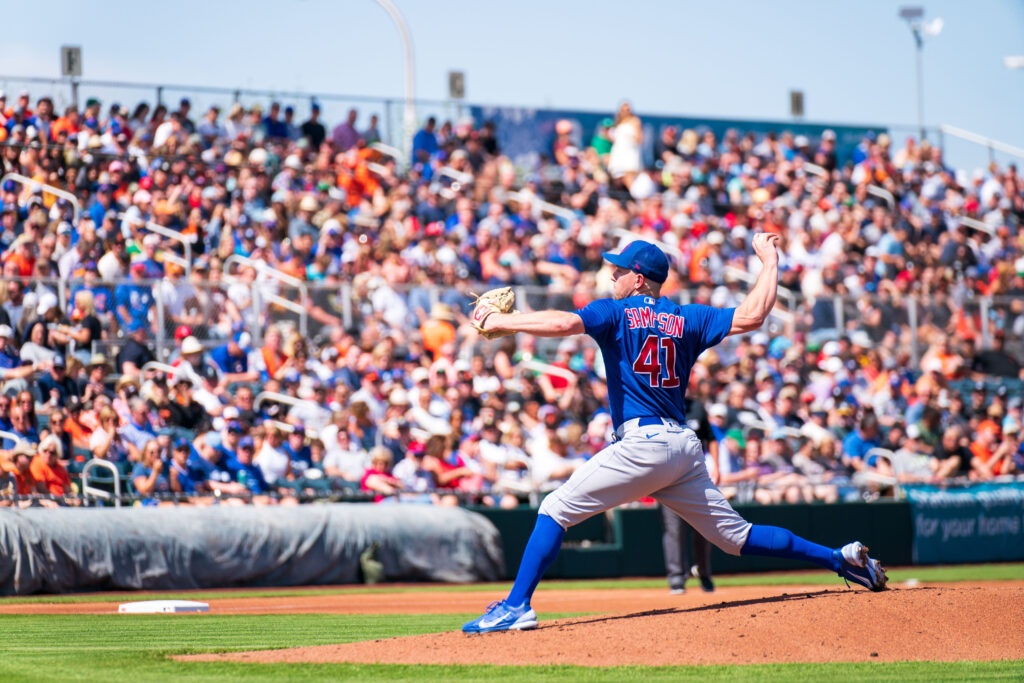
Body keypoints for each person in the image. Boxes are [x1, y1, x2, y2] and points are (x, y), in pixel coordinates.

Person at [462, 236, 887, 634]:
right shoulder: (687, 316)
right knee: (736, 538)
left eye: (619, 270)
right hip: (682, 449)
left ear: (639, 278)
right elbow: (754, 315)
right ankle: (840, 558)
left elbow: (562, 325)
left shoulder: (615, 312)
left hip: (643, 443)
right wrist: (770, 261)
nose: (612, 276)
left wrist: (503, 320)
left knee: (555, 507)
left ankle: (517, 606)